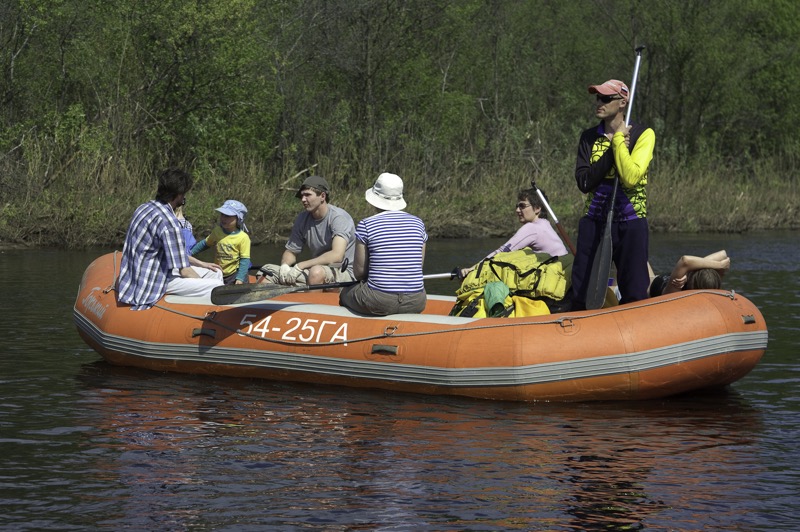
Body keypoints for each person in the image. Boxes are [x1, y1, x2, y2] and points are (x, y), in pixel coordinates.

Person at [570, 78, 656, 309]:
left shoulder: (643, 134)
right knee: (581, 288)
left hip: (631, 220)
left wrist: (619, 140)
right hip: (594, 220)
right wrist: (613, 147)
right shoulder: (589, 137)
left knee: (635, 288)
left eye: (606, 98)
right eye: (597, 97)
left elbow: (630, 177)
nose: (599, 102)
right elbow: (585, 181)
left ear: (622, 102)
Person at [117, 168, 223, 310]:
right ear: (178, 195)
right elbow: (184, 271)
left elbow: (175, 255)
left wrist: (201, 264)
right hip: (150, 281)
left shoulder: (144, 207)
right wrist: (203, 282)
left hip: (136, 272)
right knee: (215, 285)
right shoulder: (170, 223)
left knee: (215, 272)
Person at [339, 173, 428, 315]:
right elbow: (419, 265)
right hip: (417, 301)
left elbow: (360, 273)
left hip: (379, 301)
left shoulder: (366, 225)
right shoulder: (418, 224)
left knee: (345, 293)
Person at [257, 175, 356, 286]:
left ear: (322, 196)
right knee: (266, 271)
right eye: (302, 196)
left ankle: (316, 302)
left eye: (307, 195)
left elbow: (337, 256)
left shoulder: (338, 218)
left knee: (316, 272)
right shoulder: (302, 218)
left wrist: (301, 266)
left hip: (343, 273)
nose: (303, 199)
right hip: (315, 269)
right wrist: (285, 265)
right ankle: (268, 302)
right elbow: (291, 251)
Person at [459, 187, 569, 278]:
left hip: (556, 277)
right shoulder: (545, 224)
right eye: (517, 206)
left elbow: (503, 251)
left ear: (537, 209)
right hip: (563, 276)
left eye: (522, 206)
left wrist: (472, 270)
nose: (517, 210)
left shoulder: (532, 228)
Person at [190, 199, 252, 285]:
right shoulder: (217, 231)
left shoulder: (243, 237)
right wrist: (190, 253)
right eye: (222, 214)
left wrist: (240, 278)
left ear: (238, 219)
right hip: (219, 271)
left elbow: (245, 260)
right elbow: (205, 243)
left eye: (228, 216)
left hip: (235, 274)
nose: (223, 218)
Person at [648, 250, 730, 297]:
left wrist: (720, 265)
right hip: (653, 279)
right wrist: (688, 273)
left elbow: (685, 261)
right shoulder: (682, 280)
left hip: (648, 283)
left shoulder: (675, 288)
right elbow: (723, 254)